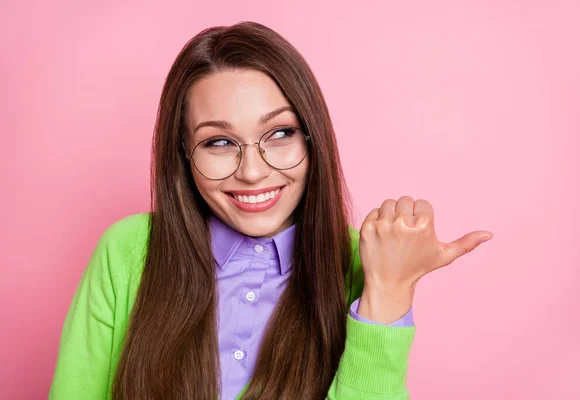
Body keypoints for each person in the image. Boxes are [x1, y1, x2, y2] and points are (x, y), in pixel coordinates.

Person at [48, 21, 493, 400]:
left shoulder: (364, 262)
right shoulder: (128, 253)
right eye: (218, 142)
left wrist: (389, 292)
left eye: (280, 133)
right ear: (183, 154)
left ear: (311, 138)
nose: (253, 172)